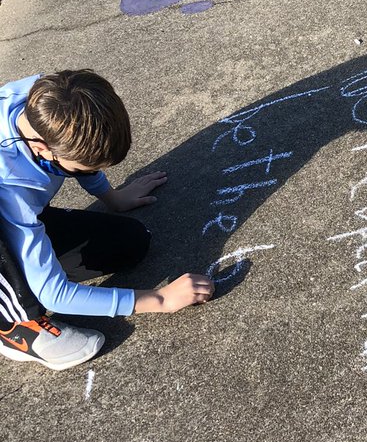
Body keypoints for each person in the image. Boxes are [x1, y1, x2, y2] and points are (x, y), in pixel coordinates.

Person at [0, 70, 213, 370]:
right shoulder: (10, 187)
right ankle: (14, 325)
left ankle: (28, 266)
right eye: (82, 169)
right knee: (29, 281)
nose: (87, 172)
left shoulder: (48, 97)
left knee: (129, 243)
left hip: (20, 207)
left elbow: (77, 160)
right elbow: (55, 293)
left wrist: (112, 197)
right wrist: (159, 300)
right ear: (40, 148)